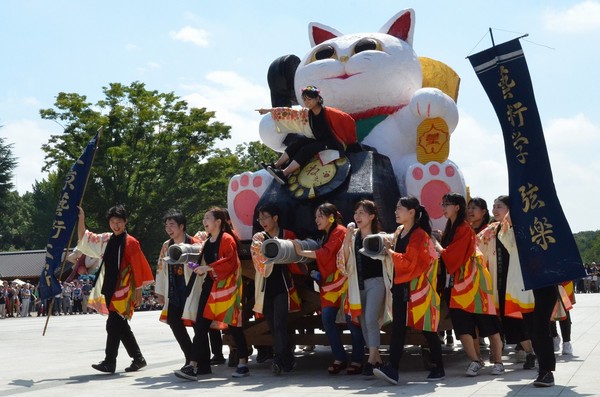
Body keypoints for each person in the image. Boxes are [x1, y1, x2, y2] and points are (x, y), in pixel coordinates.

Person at [373, 197, 444, 385]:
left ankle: (438, 366)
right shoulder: (399, 231)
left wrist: (389, 252)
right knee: (399, 328)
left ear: (411, 212)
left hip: (417, 288)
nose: (395, 211)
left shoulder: (419, 234)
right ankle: (392, 367)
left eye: (399, 208)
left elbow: (410, 262)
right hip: (402, 286)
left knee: (426, 328)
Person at [433, 193, 504, 377]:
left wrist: (437, 246)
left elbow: (452, 256)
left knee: (486, 323)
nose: (443, 207)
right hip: (457, 282)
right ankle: (475, 360)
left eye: (446, 204)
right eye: (443, 203)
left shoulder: (463, 228)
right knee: (462, 324)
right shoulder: (452, 227)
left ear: (457, 207)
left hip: (474, 281)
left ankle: (498, 361)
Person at [77, 205, 154, 373]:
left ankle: (109, 361)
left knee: (113, 325)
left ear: (125, 221)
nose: (115, 225)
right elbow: (85, 239)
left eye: (118, 221)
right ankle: (138, 359)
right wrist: (81, 219)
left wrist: (139, 292)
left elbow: (138, 267)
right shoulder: (106, 239)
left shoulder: (131, 242)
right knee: (120, 326)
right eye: (112, 222)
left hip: (124, 291)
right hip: (110, 288)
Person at [177, 207, 250, 380]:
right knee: (201, 326)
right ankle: (193, 366)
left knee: (234, 325)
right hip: (211, 286)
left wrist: (208, 267)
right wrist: (197, 267)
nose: (204, 221)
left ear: (218, 221)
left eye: (207, 218)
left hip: (227, 288)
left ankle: (243, 362)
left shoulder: (227, 239)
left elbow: (230, 262)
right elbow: (210, 264)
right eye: (204, 218)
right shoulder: (208, 242)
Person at [292, 203, 365, 375]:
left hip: (344, 282)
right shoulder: (327, 234)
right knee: (327, 320)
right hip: (330, 285)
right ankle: (340, 357)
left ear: (331, 217)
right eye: (316, 216)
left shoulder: (339, 231)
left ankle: (357, 359)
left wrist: (301, 252)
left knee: (351, 322)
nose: (316, 220)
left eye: (320, 216)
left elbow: (325, 253)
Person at [478, 195, 536, 369]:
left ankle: (533, 352)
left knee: (521, 319)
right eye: (494, 206)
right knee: (509, 321)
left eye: (500, 206)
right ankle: (529, 353)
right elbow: (475, 244)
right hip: (498, 284)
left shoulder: (520, 227)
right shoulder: (491, 230)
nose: (495, 210)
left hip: (518, 282)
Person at [258, 85, 357, 184]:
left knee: (307, 149)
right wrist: (268, 110)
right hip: (319, 141)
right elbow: (288, 112)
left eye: (309, 99)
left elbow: (348, 120)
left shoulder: (329, 112)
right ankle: (276, 165)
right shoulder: (306, 114)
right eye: (304, 100)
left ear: (317, 98)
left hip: (333, 144)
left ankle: (284, 174)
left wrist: (351, 143)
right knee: (299, 140)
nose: (306, 102)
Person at [251, 203, 304, 375]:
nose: (262, 221)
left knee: (280, 323)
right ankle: (287, 358)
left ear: (275, 218)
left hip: (284, 285)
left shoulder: (288, 235)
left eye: (265, 217)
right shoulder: (259, 237)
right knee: (272, 325)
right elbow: (258, 257)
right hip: (265, 286)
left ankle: (279, 359)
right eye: (260, 218)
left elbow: (297, 255)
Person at [341, 200, 390, 376]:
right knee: (362, 322)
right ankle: (377, 360)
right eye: (356, 213)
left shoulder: (382, 236)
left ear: (372, 216)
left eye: (362, 213)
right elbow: (344, 260)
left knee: (370, 319)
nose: (357, 216)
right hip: (357, 284)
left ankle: (370, 360)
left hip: (376, 282)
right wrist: (347, 239)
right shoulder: (353, 237)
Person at [155, 209, 203, 370]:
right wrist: (160, 291)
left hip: (192, 288)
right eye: (167, 225)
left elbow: (202, 266)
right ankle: (190, 357)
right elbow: (161, 268)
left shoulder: (194, 243)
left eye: (172, 225)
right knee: (174, 322)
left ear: (182, 226)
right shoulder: (166, 245)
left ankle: (203, 362)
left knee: (198, 326)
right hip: (174, 289)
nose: (169, 228)